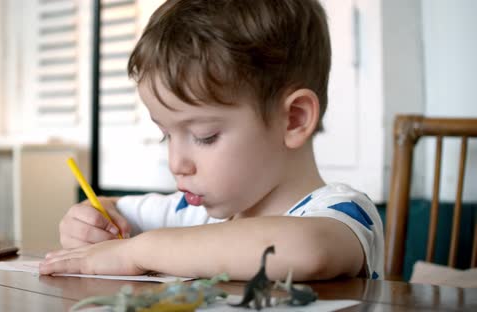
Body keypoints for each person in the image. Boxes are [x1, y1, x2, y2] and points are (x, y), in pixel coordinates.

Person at [39, 0, 384, 281]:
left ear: (293, 119)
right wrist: (91, 223)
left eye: (205, 136)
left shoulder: (343, 214)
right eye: (166, 135)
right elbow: (113, 210)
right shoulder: (192, 212)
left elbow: (308, 250)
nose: (176, 163)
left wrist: (137, 251)